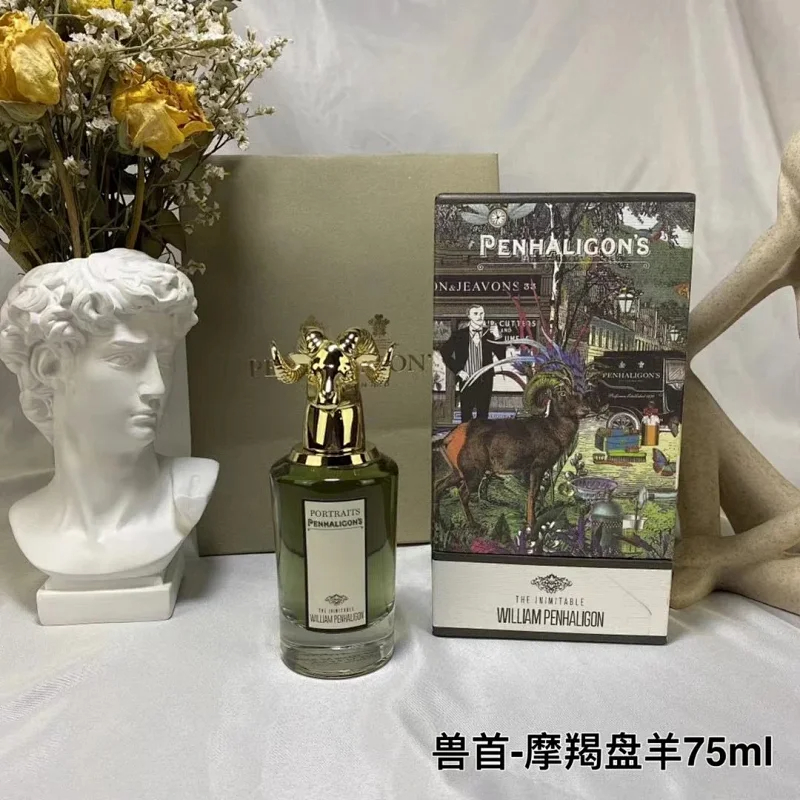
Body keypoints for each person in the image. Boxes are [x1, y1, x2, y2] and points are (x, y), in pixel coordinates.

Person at [0, 249, 219, 581]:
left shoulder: (189, 492)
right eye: (125, 359)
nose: (157, 387)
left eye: (163, 361)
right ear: (49, 366)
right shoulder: (28, 519)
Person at [438, 304, 506, 421]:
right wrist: (459, 371)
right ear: (468, 316)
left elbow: (502, 357)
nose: (479, 316)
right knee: (466, 417)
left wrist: (498, 336)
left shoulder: (490, 335)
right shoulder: (459, 335)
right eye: (475, 313)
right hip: (467, 381)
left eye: (481, 313)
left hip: (485, 381)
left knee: (483, 417)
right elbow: (444, 352)